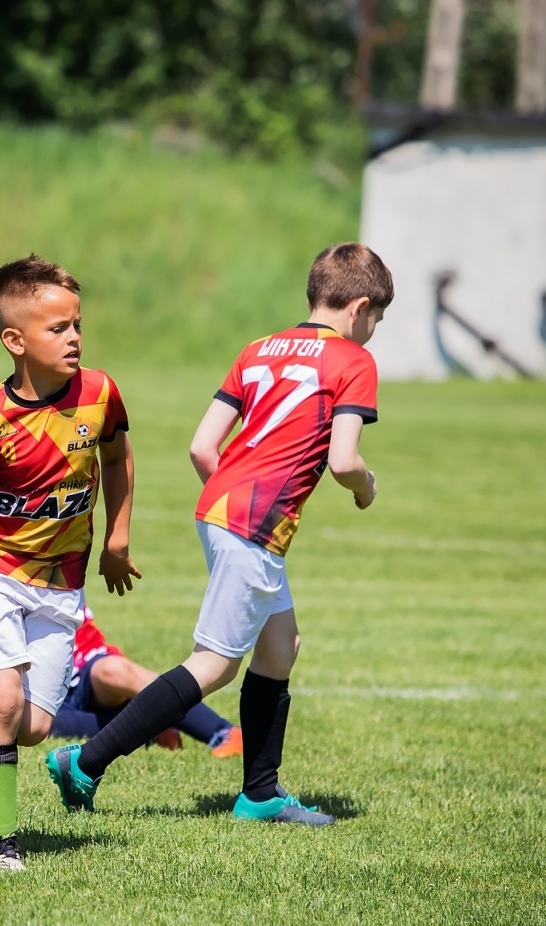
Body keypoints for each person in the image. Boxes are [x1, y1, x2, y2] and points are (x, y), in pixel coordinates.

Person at [45, 242, 392, 826]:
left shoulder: (258, 348)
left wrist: (234, 495)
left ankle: (259, 793)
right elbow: (343, 460)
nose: (374, 331)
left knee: (281, 646)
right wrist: (366, 487)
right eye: (377, 320)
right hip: (254, 524)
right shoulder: (354, 362)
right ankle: (86, 760)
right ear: (359, 306)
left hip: (221, 508)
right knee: (214, 665)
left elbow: (202, 446)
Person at [0, 254, 137, 872]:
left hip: (61, 585)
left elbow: (116, 460)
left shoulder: (100, 394)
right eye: (57, 328)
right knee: (3, 704)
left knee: (35, 725)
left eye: (77, 325)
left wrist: (117, 537)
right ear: (15, 340)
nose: (75, 338)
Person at [0, 607, 243, 755]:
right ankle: (144, 723)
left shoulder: (62, 534)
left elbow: (117, 458)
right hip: (34, 689)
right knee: (28, 725)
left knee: (115, 670)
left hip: (84, 670)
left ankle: (223, 732)